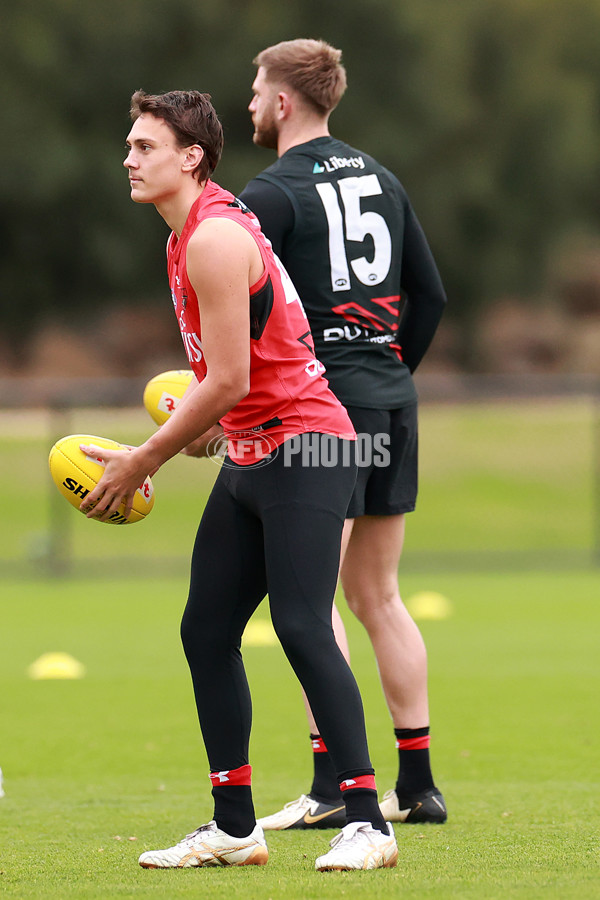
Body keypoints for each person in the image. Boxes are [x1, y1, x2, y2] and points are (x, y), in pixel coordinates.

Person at [79, 88, 398, 872]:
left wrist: (143, 458)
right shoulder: (185, 236)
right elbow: (238, 378)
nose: (128, 157)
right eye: (129, 144)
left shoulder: (213, 240)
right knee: (206, 632)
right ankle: (233, 826)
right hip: (255, 455)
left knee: (299, 623)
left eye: (144, 146)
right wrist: (211, 428)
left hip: (308, 449)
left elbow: (228, 378)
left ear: (191, 156)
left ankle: (368, 822)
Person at [238, 39, 448, 830]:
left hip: (328, 412)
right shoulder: (382, 177)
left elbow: (249, 308)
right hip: (392, 402)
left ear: (285, 101)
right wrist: (386, 374)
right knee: (378, 594)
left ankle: (333, 785)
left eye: (257, 92)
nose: (252, 105)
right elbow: (428, 295)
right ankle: (418, 782)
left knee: (313, 593)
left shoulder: (272, 190)